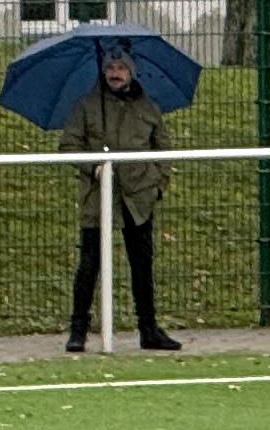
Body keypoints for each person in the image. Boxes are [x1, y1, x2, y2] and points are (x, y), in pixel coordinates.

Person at [63, 44, 184, 352]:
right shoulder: (87, 106)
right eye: (109, 68)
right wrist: (95, 168)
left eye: (120, 68)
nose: (114, 74)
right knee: (89, 264)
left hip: (139, 198)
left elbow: (163, 150)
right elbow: (69, 147)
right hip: (97, 198)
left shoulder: (148, 107)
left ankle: (148, 329)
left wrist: (157, 185)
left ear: (131, 71)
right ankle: (78, 330)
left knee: (142, 264)